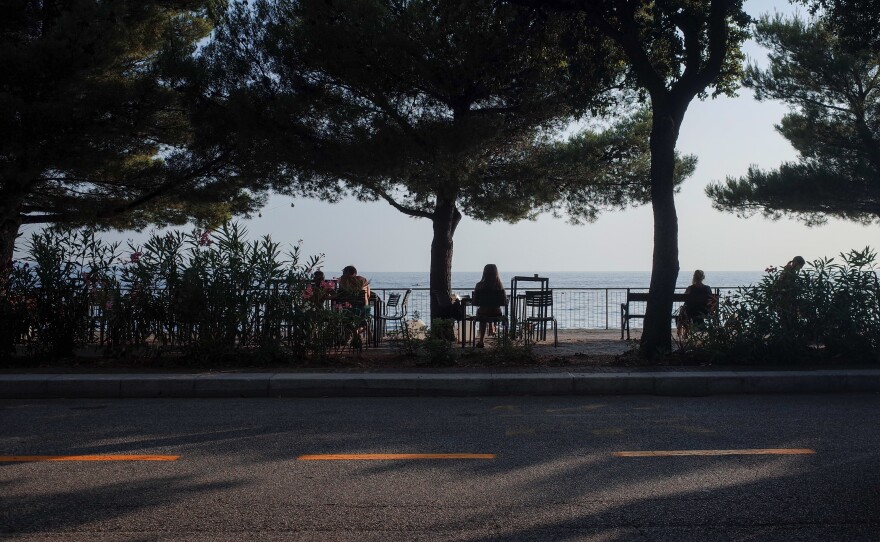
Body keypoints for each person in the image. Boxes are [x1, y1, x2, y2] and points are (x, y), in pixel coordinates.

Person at [472, 264, 508, 348]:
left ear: (484, 273)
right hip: (496, 313)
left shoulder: (479, 285)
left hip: (484, 312)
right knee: (491, 312)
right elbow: (504, 302)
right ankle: (493, 328)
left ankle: (481, 341)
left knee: (483, 315)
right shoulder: (499, 286)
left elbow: (475, 302)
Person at [677, 269, 715, 338]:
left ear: (694, 277)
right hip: (705, 311)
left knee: (682, 311)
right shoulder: (707, 288)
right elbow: (711, 300)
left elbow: (684, 299)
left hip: (691, 312)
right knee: (684, 310)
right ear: (703, 277)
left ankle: (684, 332)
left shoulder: (690, 288)